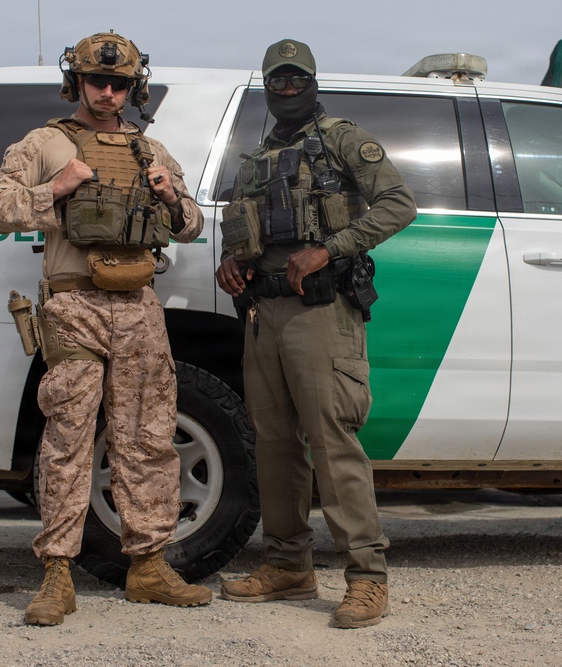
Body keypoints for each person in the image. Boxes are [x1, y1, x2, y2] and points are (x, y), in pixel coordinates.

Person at [0, 30, 211, 626]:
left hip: (137, 306)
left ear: (134, 88)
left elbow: (190, 226)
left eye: (119, 84)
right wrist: (55, 189)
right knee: (68, 439)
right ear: (75, 81)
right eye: (96, 81)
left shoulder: (150, 151)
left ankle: (149, 566)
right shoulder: (48, 144)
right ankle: (57, 574)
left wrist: (168, 195)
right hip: (73, 306)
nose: (107, 92)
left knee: (149, 436)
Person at [215, 39, 415, 629]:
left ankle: (366, 577)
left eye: (297, 78)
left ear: (313, 81)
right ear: (266, 87)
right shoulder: (255, 159)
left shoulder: (343, 139)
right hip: (263, 312)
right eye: (277, 81)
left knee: (332, 441)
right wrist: (233, 264)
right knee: (274, 444)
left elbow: (398, 204)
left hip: (322, 311)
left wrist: (330, 249)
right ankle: (288, 566)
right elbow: (243, 229)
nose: (287, 89)